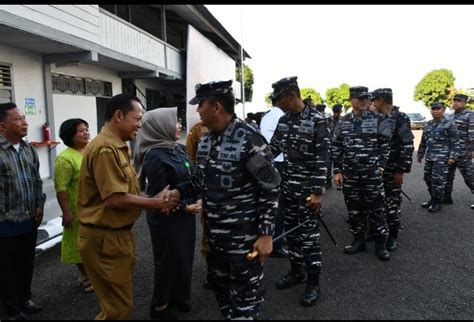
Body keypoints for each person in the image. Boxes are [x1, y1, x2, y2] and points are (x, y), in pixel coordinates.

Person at [176, 80, 281, 320]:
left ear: (216, 107)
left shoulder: (249, 139)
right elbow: (200, 182)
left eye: (200, 104)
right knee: (221, 292)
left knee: (245, 301)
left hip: (244, 239)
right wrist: (178, 192)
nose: (197, 110)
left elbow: (271, 187)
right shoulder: (206, 141)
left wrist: (266, 234)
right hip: (215, 239)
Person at [76, 93, 180, 320]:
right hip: (105, 239)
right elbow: (114, 198)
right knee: (118, 310)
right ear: (118, 116)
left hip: (115, 238)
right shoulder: (105, 149)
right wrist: (155, 202)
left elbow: (127, 193)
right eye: (137, 118)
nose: (140, 124)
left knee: (118, 305)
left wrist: (151, 200)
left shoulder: (118, 146)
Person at [269, 76, 330, 307]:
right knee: (292, 235)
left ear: (290, 95)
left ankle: (313, 282)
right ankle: (297, 272)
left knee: (309, 237)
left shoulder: (317, 120)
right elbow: (272, 149)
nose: (277, 105)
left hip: (307, 192)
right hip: (288, 188)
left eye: (279, 99)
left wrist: (317, 192)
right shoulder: (284, 120)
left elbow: (322, 159)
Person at [134, 107, 200, 320]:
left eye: (180, 121)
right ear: (160, 126)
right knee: (167, 260)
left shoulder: (178, 148)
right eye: (175, 122)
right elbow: (160, 194)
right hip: (166, 217)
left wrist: (195, 199)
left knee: (184, 257)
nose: (179, 126)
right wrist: (185, 207)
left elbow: (193, 177)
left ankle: (179, 298)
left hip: (186, 214)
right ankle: (160, 304)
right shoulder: (154, 155)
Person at [332, 86, 392, 261]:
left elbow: (386, 144)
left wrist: (381, 166)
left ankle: (381, 244)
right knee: (354, 210)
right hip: (350, 174)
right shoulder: (342, 122)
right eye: (360, 98)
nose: (365, 101)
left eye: (367, 98)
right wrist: (337, 170)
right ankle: (359, 240)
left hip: (371, 174)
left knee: (377, 209)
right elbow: (336, 147)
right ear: (351, 99)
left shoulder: (378, 119)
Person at [0, 102, 46, 320]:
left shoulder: (28, 148)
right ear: (2, 125)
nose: (25, 122)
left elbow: (37, 179)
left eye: (24, 118)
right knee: (6, 270)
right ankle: (10, 310)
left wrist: (39, 204)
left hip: (29, 219)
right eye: (18, 119)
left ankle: (24, 299)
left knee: (26, 263)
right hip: (4, 223)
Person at [371, 88, 414, 251]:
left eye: (374, 100)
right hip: (377, 169)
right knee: (376, 202)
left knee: (392, 203)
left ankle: (393, 236)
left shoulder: (400, 117)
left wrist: (400, 170)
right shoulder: (376, 118)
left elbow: (408, 145)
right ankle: (378, 232)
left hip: (392, 169)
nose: (372, 103)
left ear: (381, 100)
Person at [54, 118, 93, 292]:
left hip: (94, 205)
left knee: (93, 242)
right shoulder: (65, 158)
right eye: (81, 130)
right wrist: (66, 212)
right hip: (77, 208)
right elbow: (61, 187)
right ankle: (84, 275)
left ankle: (93, 273)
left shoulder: (89, 151)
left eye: (87, 129)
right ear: (70, 135)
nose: (86, 133)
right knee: (78, 243)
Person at [260, 94, 289, 258]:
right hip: (280, 162)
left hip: (270, 161)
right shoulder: (281, 116)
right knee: (279, 204)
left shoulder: (267, 115)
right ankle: (277, 243)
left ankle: (275, 239)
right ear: (279, 100)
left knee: (273, 203)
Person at [417, 102, 460, 213]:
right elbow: (423, 141)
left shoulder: (449, 124)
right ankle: (433, 198)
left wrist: (453, 157)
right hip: (430, 156)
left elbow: (455, 142)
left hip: (442, 157)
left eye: (438, 109)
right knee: (427, 178)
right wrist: (420, 154)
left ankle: (437, 201)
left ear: (443, 110)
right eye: (433, 109)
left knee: (438, 180)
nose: (435, 111)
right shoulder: (428, 124)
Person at [185, 120, 212, 289]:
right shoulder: (197, 130)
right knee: (209, 234)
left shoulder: (239, 130)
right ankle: (212, 271)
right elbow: (190, 158)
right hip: (208, 194)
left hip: (234, 200)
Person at [444, 93, 474, 208]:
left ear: (465, 103)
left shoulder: (470, 115)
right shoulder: (450, 116)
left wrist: (473, 149)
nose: (455, 102)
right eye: (454, 100)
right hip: (450, 153)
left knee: (470, 177)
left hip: (464, 152)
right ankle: (446, 198)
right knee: (447, 176)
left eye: (459, 101)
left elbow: (472, 133)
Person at [316, 103, 333, 189]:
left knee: (327, 164)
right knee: (326, 164)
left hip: (328, 144)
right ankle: (325, 182)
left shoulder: (325, 119)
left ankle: (328, 182)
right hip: (325, 145)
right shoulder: (322, 119)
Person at [330, 104, 344, 190]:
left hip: (340, 146)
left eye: (339, 112)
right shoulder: (328, 120)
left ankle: (340, 183)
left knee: (340, 164)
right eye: (336, 112)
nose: (337, 114)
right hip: (330, 145)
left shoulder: (343, 120)